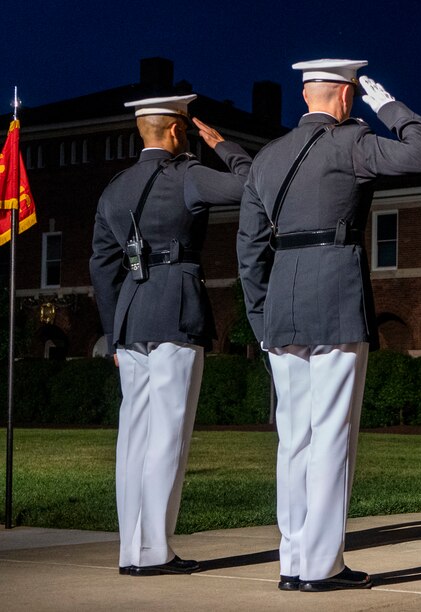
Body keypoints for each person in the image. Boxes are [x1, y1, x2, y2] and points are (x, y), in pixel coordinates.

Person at [236, 59, 421, 592]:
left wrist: (261, 314)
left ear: (306, 95)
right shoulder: (352, 143)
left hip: (281, 302)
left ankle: (292, 559)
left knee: (293, 440)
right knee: (331, 434)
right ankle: (322, 566)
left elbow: (249, 248)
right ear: (348, 96)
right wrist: (389, 105)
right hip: (335, 295)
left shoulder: (267, 157)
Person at [89, 94, 252, 576]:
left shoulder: (114, 188)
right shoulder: (186, 174)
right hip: (176, 310)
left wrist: (112, 331)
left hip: (130, 316)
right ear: (178, 131)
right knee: (168, 434)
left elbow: (102, 266)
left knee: (133, 436)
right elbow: (252, 186)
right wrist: (226, 147)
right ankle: (155, 551)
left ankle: (130, 550)